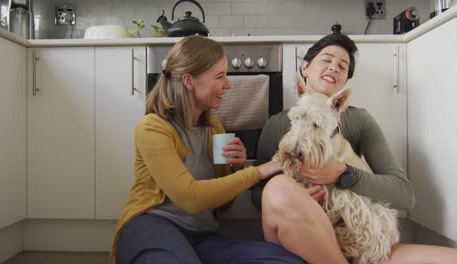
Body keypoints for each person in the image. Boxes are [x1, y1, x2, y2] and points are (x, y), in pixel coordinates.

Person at [252, 33, 457, 263]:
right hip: (304, 236)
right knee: (279, 188)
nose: (334, 68)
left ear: (343, 90)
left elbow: (404, 195)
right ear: (305, 68)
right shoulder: (276, 124)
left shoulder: (360, 120)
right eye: (326, 60)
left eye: (342, 67)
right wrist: (300, 200)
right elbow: (259, 193)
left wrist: (342, 173)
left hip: (358, 238)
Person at [110, 35, 306, 264]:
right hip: (152, 225)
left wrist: (236, 168)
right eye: (220, 76)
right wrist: (258, 171)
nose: (228, 84)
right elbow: (190, 198)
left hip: (202, 236)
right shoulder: (153, 127)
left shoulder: (215, 129)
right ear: (188, 80)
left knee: (288, 261)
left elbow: (222, 206)